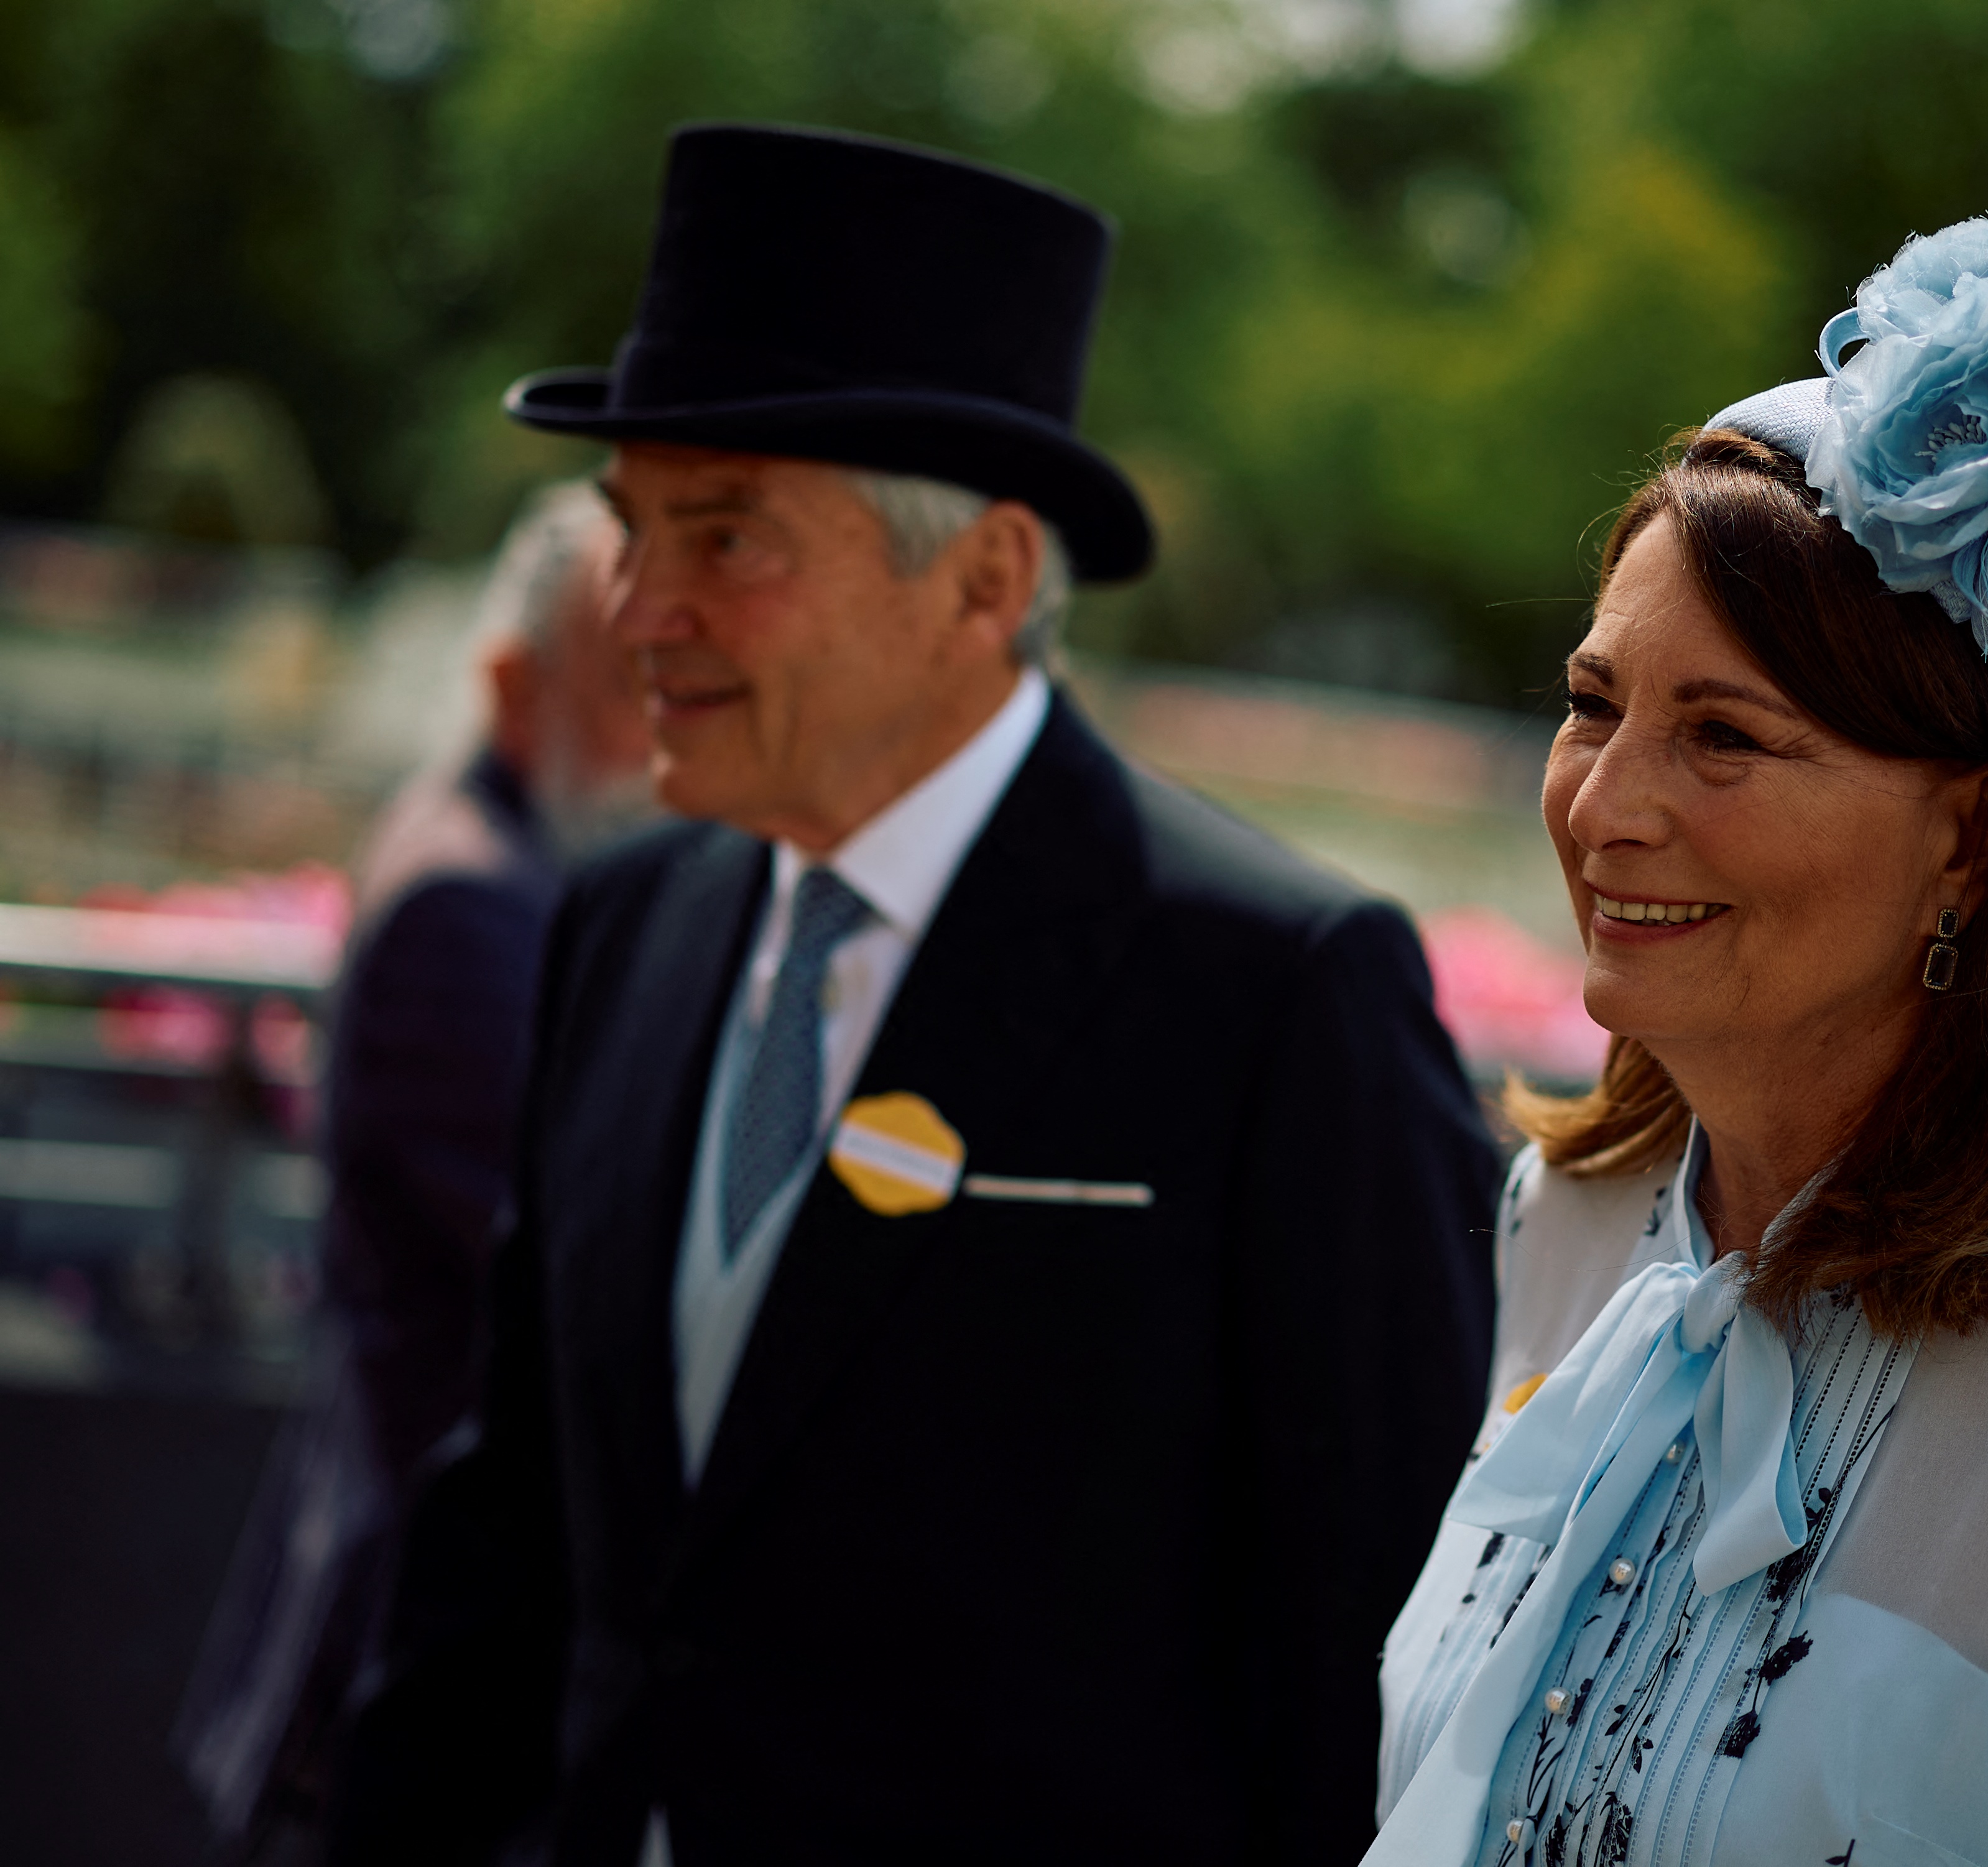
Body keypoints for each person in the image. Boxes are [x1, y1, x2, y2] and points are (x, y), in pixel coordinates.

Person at [332, 124, 1500, 1866]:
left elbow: (1369, 1657)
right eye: (630, 529)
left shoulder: (1276, 993)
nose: (642, 608)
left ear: (986, 579)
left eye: (724, 536)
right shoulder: (622, 926)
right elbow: (510, 1536)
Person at [1373, 201, 1988, 1865]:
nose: (1608, 806)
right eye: (1593, 704)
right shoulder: (1571, 1214)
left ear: (1975, 840)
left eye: (1728, 738)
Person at [175, 482, 650, 1857]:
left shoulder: (496, 855)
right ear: (514, 684)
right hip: (412, 1660)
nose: (668, 733)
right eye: (630, 682)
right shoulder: (472, 899)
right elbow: (552, 1277)